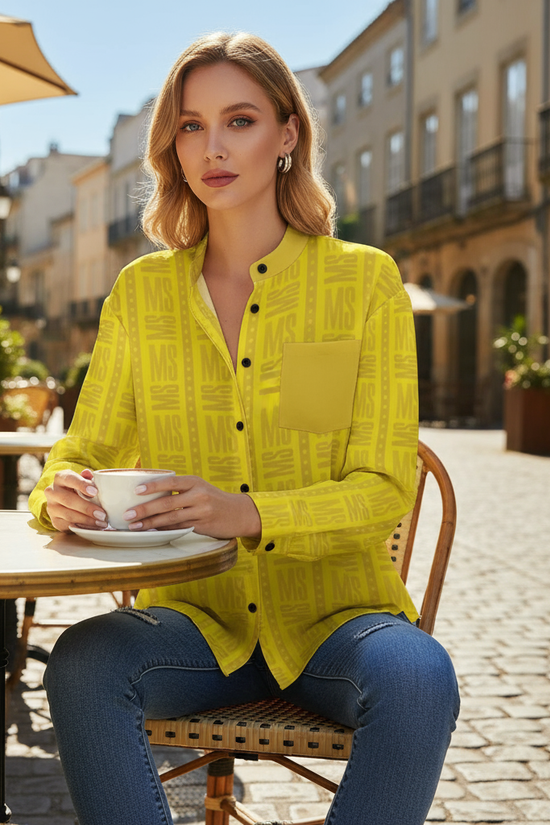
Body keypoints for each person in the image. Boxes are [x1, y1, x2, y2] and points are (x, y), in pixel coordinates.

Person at [29, 31, 459, 825]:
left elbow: (384, 485)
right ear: (173, 145)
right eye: (191, 125)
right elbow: (82, 450)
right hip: (195, 623)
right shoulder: (140, 294)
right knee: (83, 660)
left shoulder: (363, 283)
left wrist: (248, 512)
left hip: (341, 623)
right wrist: (63, 493)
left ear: (288, 134)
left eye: (240, 120)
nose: (213, 146)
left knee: (421, 675)